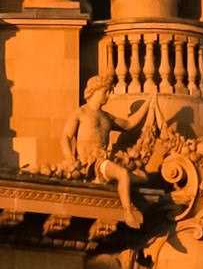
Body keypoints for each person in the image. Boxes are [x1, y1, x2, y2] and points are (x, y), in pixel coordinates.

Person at [62, 74, 152, 225]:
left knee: (143, 176)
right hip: (91, 164)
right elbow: (65, 136)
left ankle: (111, 182)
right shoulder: (81, 113)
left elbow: (129, 124)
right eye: (106, 92)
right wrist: (70, 158)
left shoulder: (107, 117)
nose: (108, 96)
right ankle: (128, 213)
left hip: (104, 161)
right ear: (95, 91)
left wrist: (149, 102)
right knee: (123, 174)